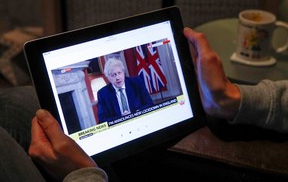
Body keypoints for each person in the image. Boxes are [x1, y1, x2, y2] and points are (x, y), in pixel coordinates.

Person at [1, 27, 287, 181]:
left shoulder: (137, 82)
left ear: (124, 73)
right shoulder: (104, 95)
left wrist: (81, 174)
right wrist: (228, 98)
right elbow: (106, 118)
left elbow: (145, 105)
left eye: (118, 73)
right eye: (111, 74)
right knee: (15, 103)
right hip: (123, 140)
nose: (115, 77)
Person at [97, 57, 154, 123]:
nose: (118, 77)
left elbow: (150, 104)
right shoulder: (103, 94)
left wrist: (134, 114)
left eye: (119, 73)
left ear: (123, 73)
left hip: (140, 121)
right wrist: (120, 118)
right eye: (113, 75)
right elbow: (102, 120)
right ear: (108, 78)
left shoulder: (136, 83)